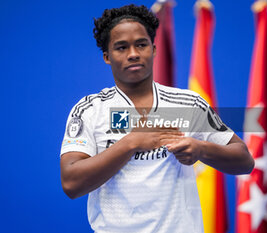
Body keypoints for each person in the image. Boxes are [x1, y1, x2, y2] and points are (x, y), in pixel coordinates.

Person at [60, 4, 254, 233]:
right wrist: (131, 143)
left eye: (141, 44)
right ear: (107, 57)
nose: (133, 54)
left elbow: (244, 160)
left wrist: (201, 149)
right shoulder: (91, 110)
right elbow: (71, 182)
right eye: (121, 47)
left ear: (153, 49)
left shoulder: (188, 104)